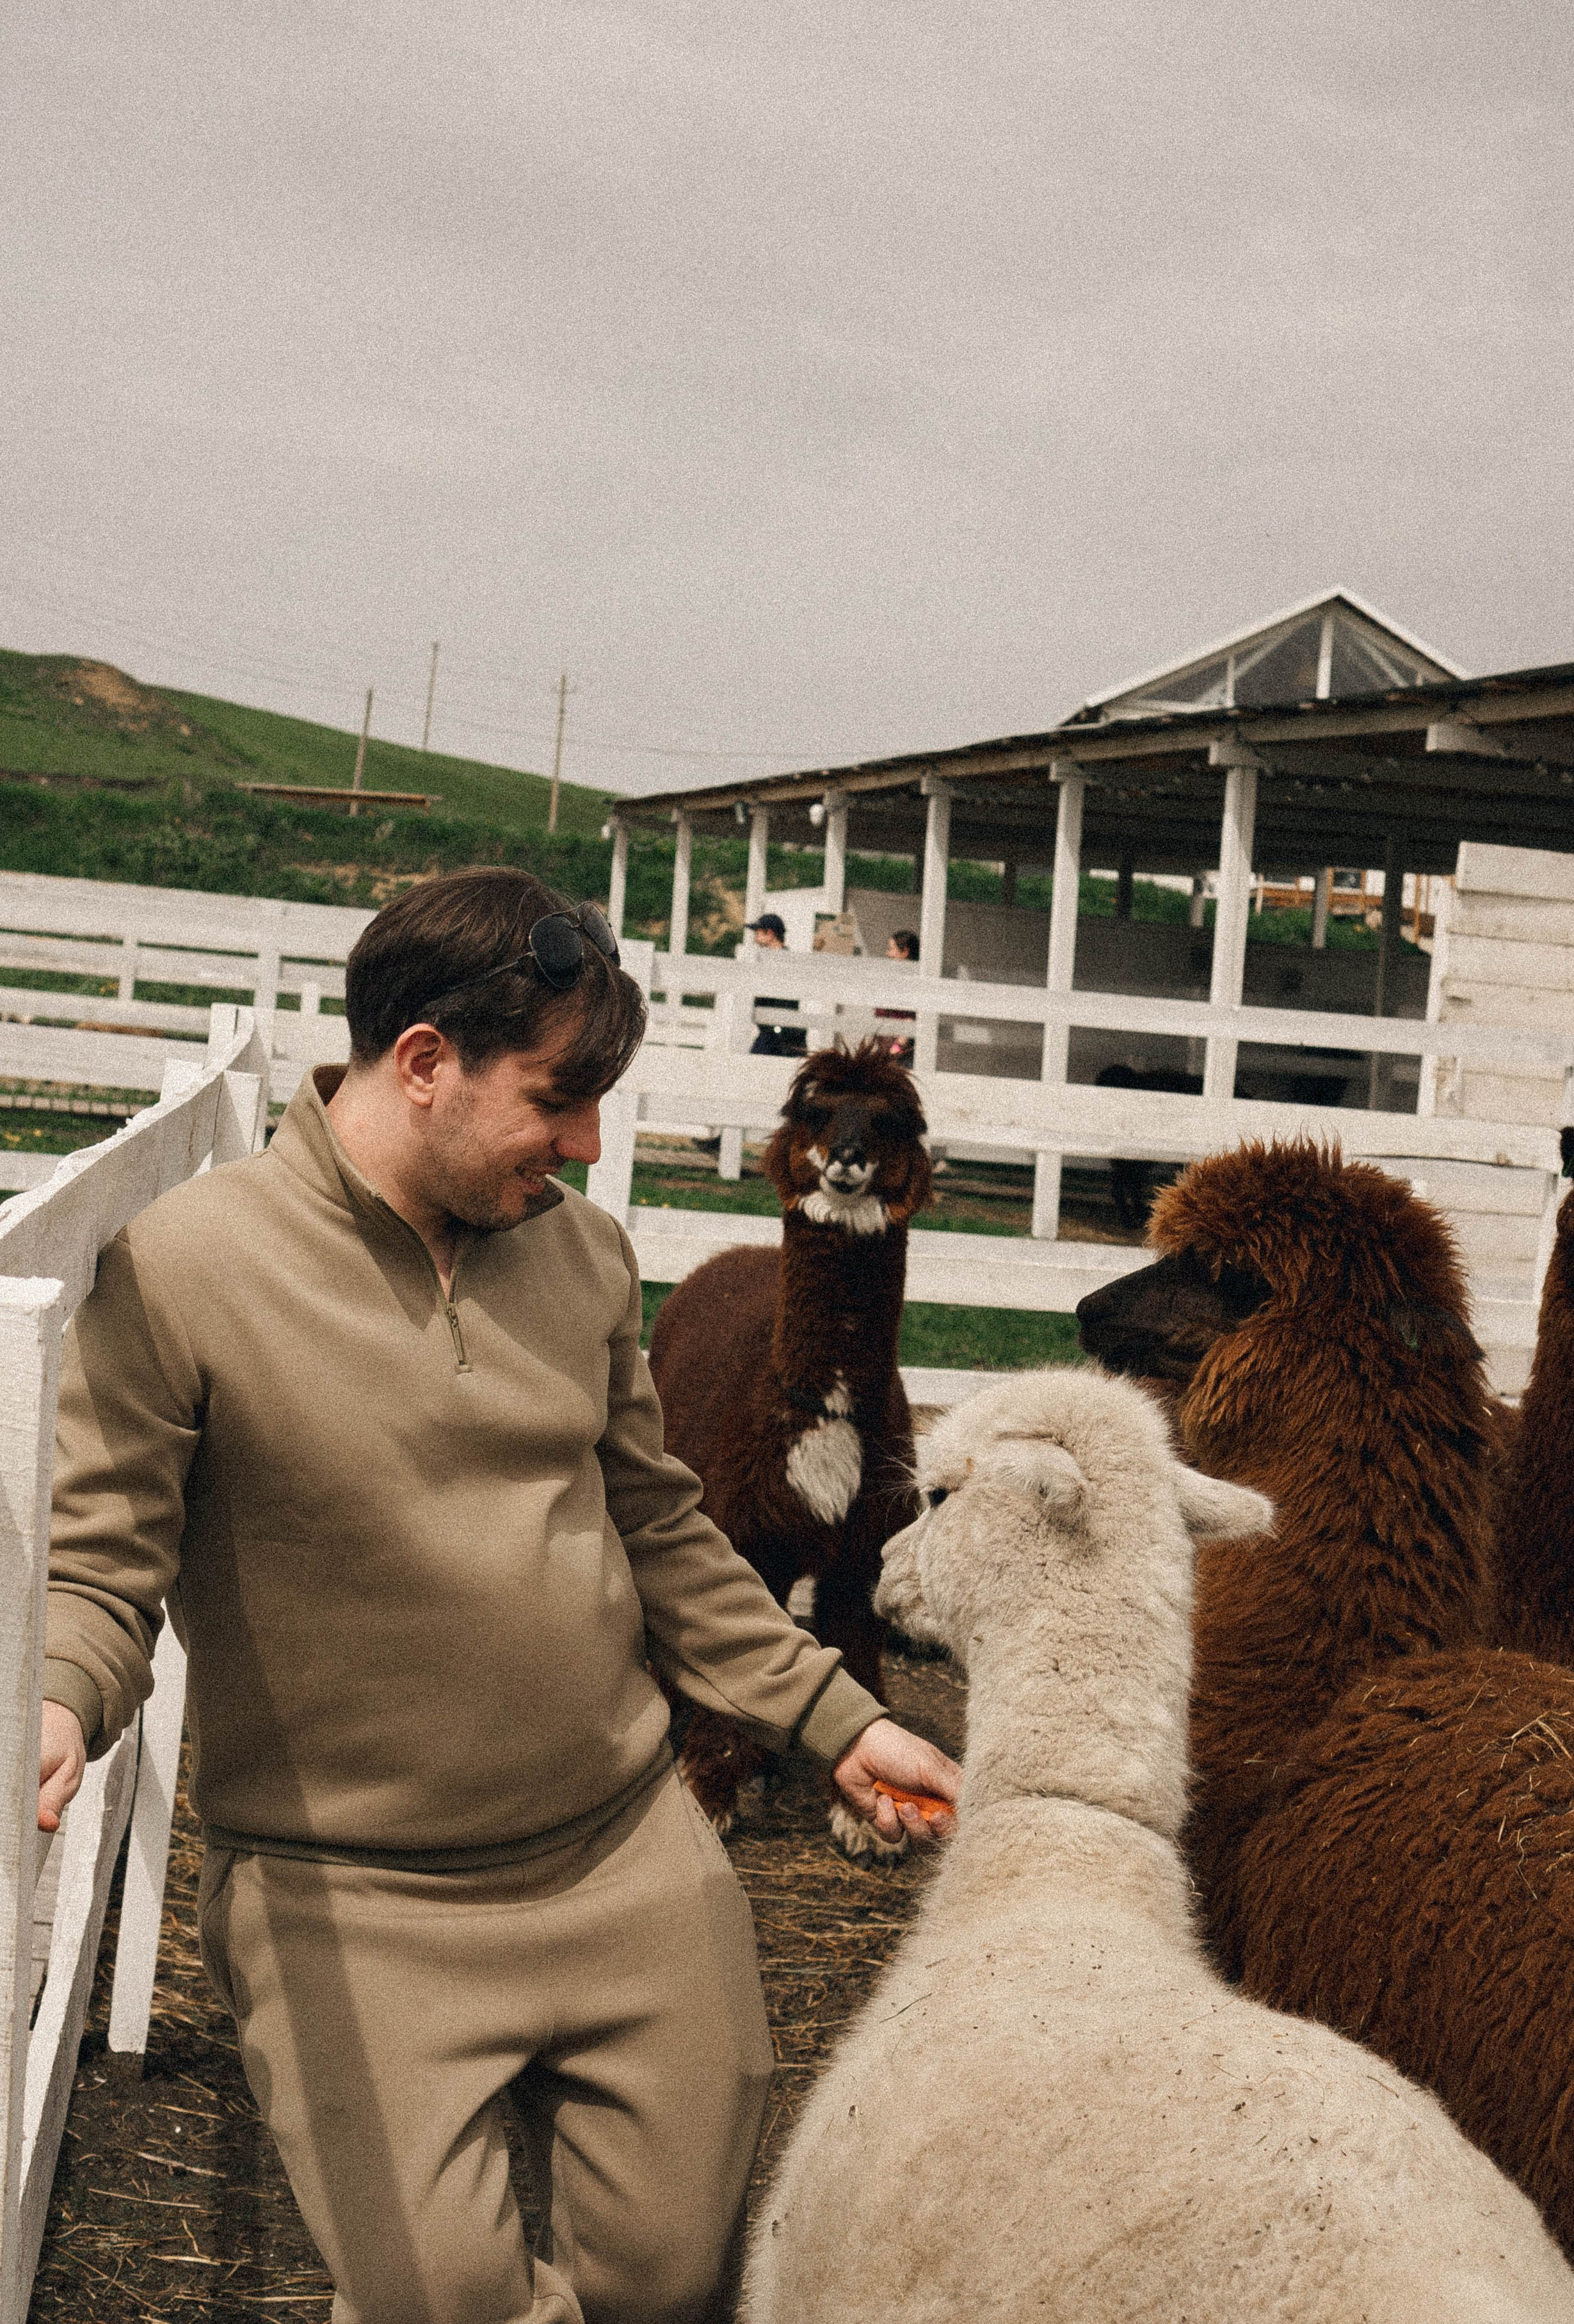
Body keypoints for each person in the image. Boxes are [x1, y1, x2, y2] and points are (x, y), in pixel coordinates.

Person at [37, 868, 959, 2324]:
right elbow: (102, 1560)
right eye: (557, 1099)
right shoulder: (185, 1271)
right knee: (441, 2300)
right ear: (424, 1063)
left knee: (673, 2277)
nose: (587, 1143)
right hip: (346, 1894)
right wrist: (54, 1699)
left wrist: (835, 1719)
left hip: (621, 1849)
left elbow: (658, 1527)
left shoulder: (583, 1258)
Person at [746, 911, 806, 1057]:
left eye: (759, 932)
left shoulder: (784, 962)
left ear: (770, 933)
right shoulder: (772, 960)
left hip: (780, 1034)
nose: (756, 937)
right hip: (771, 1030)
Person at [873, 925, 919, 1060]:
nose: (888, 954)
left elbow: (910, 1021)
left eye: (891, 949)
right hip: (887, 1052)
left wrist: (896, 1050)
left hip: (899, 1057)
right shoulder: (894, 980)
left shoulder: (912, 984)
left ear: (904, 952)